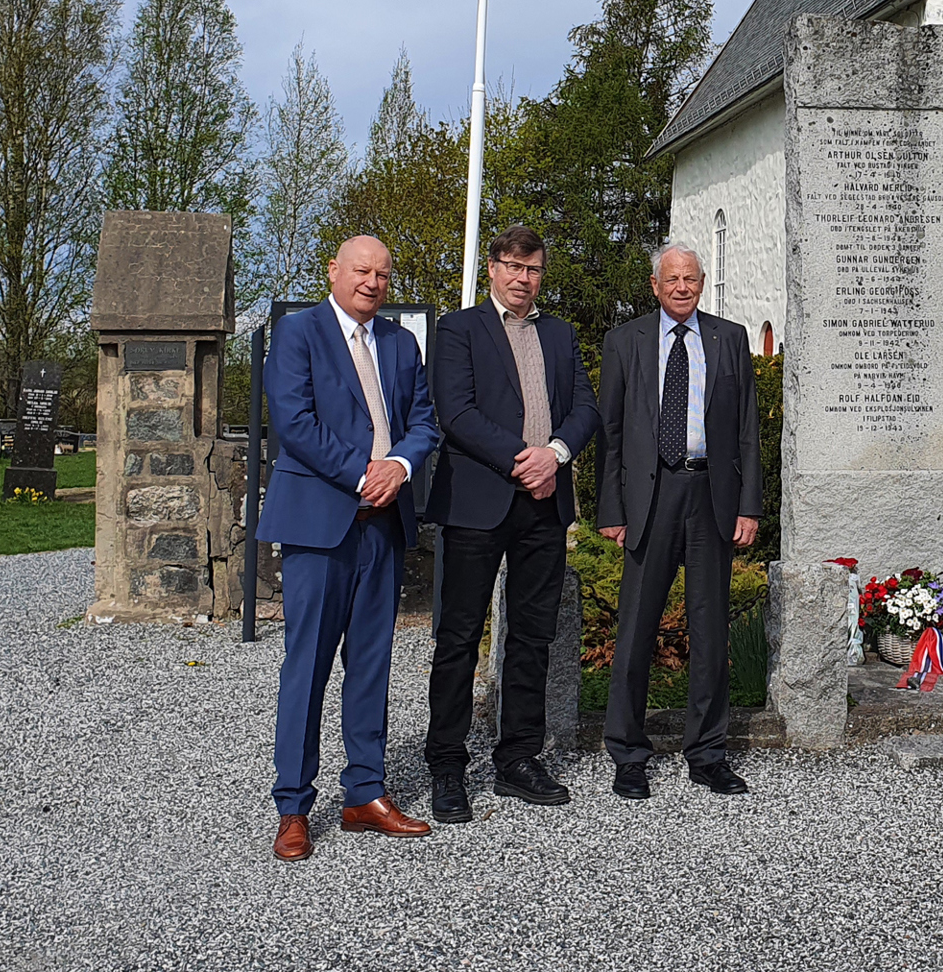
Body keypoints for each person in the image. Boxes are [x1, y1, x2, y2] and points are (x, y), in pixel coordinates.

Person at [260, 235, 441, 861]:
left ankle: (365, 792)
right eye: (361, 270)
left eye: (383, 274)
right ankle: (292, 806)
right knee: (306, 666)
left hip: (384, 525)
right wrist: (364, 473)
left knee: (371, 664)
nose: (372, 282)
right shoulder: (299, 333)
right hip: (320, 523)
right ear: (333, 271)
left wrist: (401, 465)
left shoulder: (400, 342)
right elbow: (293, 421)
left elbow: (425, 421)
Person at [422, 224, 600, 820]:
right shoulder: (459, 329)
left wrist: (556, 454)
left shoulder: (560, 333)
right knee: (458, 637)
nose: (523, 279)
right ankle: (447, 764)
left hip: (546, 504)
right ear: (492, 268)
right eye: (513, 267)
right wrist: (524, 460)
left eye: (534, 269)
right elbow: (457, 412)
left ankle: (518, 759)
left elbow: (585, 409)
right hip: (479, 502)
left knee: (532, 636)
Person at [597, 243, 761, 799]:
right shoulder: (625, 342)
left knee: (710, 630)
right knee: (637, 626)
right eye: (672, 279)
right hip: (650, 496)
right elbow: (612, 435)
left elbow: (746, 431)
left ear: (703, 281)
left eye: (691, 278)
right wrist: (611, 510)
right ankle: (627, 751)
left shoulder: (730, 339)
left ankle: (708, 752)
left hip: (711, 493)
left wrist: (748, 505)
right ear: (655, 285)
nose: (682, 287)